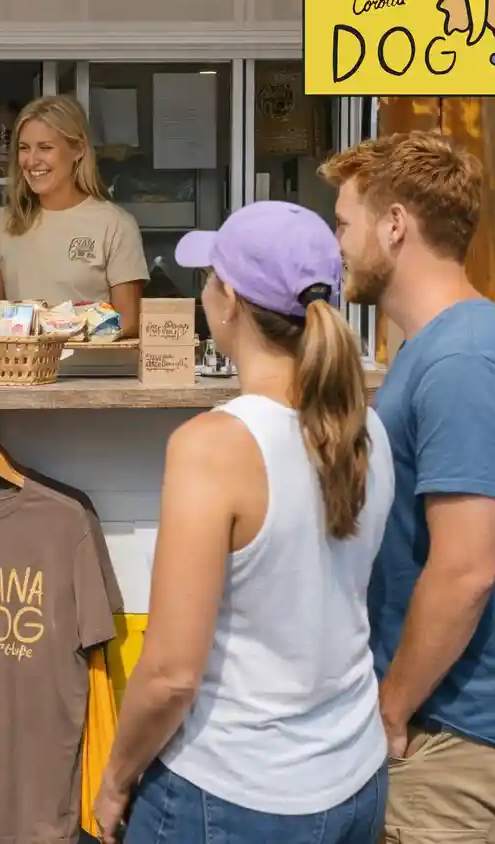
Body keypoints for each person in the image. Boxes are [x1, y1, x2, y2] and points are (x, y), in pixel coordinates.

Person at [94, 200, 396, 844]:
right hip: (354, 776)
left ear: (228, 300)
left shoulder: (214, 447)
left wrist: (117, 777)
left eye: (208, 277)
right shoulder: (368, 429)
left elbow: (172, 672)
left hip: (233, 792)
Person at [318, 131, 495, 842]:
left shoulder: (466, 361)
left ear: (394, 225)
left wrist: (392, 709)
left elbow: (464, 571)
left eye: (344, 221)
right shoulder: (440, 350)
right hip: (438, 720)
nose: (337, 243)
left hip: (453, 733)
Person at [0, 95, 148, 334]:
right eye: (24, 148)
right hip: (23, 369)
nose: (32, 160)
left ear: (78, 149)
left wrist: (65, 330)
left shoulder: (116, 224)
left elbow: (128, 321)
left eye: (45, 148)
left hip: (92, 370)